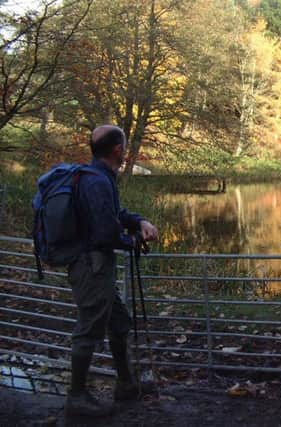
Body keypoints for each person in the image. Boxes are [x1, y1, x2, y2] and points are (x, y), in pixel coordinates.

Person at [65, 125, 159, 417]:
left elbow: (113, 215)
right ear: (118, 150)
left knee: (118, 321)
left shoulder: (98, 177)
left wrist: (137, 220)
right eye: (125, 145)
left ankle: (126, 383)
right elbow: (106, 233)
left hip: (96, 266)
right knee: (89, 329)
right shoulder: (97, 182)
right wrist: (132, 241)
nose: (126, 149)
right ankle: (76, 397)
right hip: (91, 267)